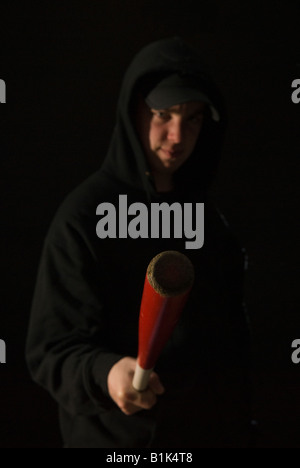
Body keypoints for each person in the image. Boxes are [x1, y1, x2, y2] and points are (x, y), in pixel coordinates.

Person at [26, 37, 252, 448]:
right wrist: (105, 373)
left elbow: (231, 346)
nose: (177, 135)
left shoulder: (210, 222)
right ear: (133, 112)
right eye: (163, 114)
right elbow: (50, 350)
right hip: (115, 442)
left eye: (194, 119)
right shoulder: (83, 217)